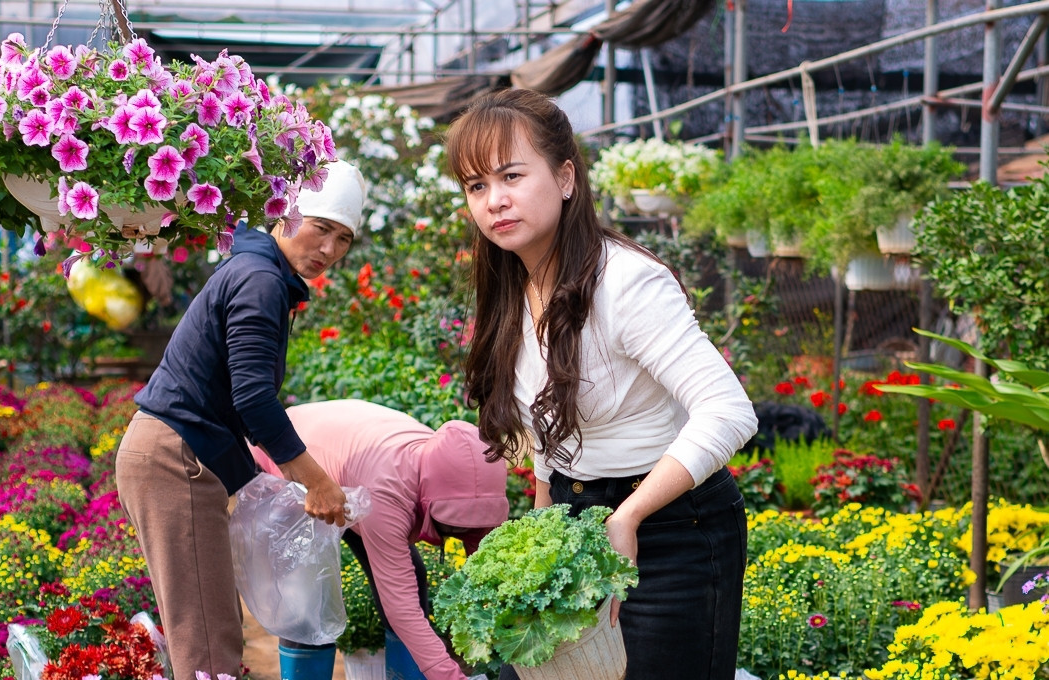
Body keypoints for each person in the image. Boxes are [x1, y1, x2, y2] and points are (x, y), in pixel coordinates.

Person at [444, 88, 759, 680]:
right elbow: (547, 425)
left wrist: (628, 517)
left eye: (511, 175)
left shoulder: (627, 283)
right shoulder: (514, 286)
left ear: (565, 178)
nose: (494, 201)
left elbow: (728, 410)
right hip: (573, 519)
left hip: (671, 530)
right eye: (476, 186)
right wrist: (540, 526)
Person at [115, 160, 368, 678]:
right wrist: (316, 481)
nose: (329, 250)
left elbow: (238, 395)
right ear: (287, 215)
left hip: (172, 453)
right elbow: (253, 398)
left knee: (208, 627)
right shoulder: (260, 280)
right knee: (207, 642)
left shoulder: (261, 271)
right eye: (321, 228)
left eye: (343, 238)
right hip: (175, 458)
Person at [248, 399, 509, 680]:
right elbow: (401, 606)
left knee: (415, 576)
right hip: (290, 460)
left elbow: (486, 566)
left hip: (351, 472)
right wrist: (450, 677)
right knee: (310, 603)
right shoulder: (389, 491)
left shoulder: (468, 479)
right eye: (455, 524)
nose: (461, 534)